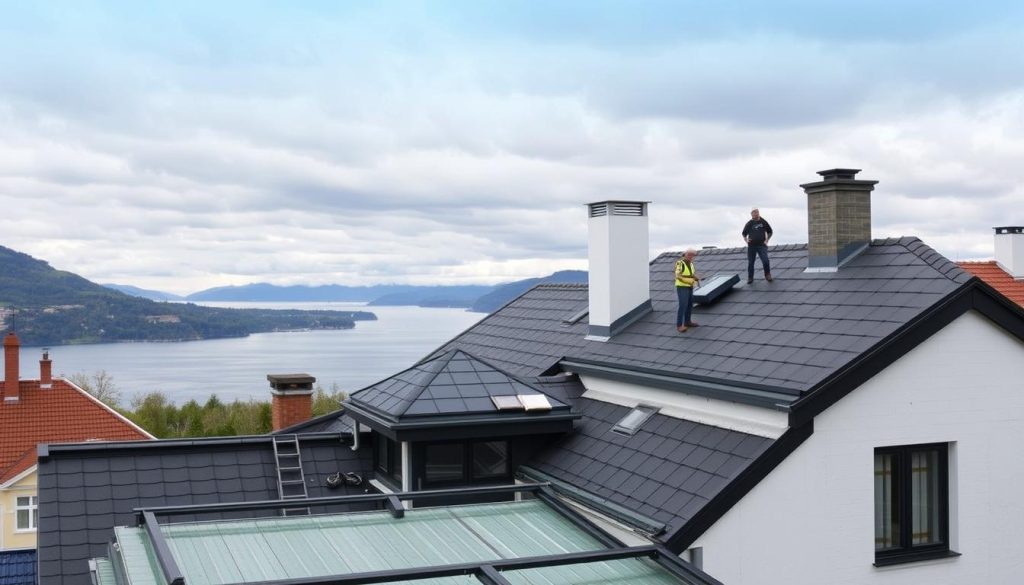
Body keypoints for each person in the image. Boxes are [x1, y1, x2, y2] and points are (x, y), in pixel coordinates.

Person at [741, 207, 773, 284]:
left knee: (765, 260)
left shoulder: (763, 222)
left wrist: (767, 239)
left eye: (757, 212)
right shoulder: (749, 223)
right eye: (754, 213)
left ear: (758, 213)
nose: (755, 214)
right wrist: (746, 240)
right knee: (751, 262)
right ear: (751, 214)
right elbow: (744, 233)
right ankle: (750, 277)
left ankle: (767, 274)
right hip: (752, 246)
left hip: (762, 245)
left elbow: (770, 231)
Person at [674, 248, 701, 333]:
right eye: (690, 255)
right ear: (685, 254)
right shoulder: (680, 263)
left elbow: (690, 274)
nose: (691, 257)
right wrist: (688, 280)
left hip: (690, 287)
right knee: (683, 305)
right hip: (682, 287)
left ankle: (687, 322)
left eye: (693, 255)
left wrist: (695, 277)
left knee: (689, 304)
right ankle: (679, 325)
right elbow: (678, 276)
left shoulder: (691, 264)